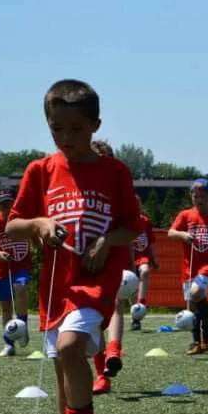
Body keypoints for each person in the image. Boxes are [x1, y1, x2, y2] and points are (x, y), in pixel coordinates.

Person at [6, 79, 140, 414]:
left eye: (76, 130)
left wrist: (107, 242)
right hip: (55, 287)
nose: (66, 138)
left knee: (68, 349)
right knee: (65, 373)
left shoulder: (113, 171)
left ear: (95, 125)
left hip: (95, 284)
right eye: (56, 129)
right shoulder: (40, 171)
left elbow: (134, 225)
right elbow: (14, 225)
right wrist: (40, 225)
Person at [167, 179, 208, 354]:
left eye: (202, 196)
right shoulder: (185, 215)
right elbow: (170, 232)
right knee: (192, 306)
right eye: (195, 195)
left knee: (195, 293)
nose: (198, 199)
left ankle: (206, 328)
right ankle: (197, 342)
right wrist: (182, 234)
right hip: (188, 267)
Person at [87, 138, 129, 395]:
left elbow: (131, 227)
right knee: (93, 314)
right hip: (84, 255)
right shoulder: (77, 187)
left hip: (112, 253)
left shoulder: (117, 185)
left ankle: (112, 352)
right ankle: (103, 371)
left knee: (114, 302)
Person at [0, 185, 33, 357]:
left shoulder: (24, 220)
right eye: (3, 204)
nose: (7, 207)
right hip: (1, 269)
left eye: (10, 203)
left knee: (21, 288)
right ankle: (9, 344)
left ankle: (22, 328)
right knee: (6, 308)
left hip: (21, 266)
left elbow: (37, 234)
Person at [130, 194, 159, 331]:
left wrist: (154, 258)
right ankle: (135, 318)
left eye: (137, 204)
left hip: (142, 257)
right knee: (131, 287)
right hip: (129, 258)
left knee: (145, 271)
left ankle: (141, 303)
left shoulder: (145, 221)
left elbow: (151, 242)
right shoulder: (125, 222)